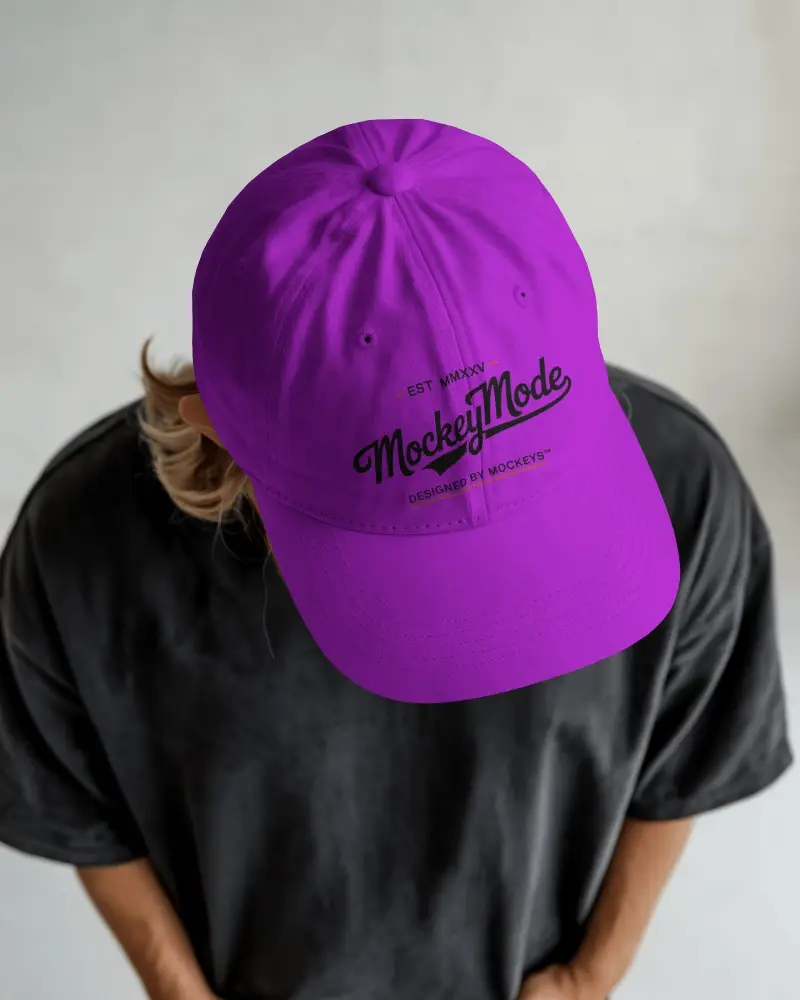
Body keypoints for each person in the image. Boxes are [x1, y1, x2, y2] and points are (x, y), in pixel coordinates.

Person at [0, 119, 792, 1000]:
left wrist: (590, 976)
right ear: (218, 424)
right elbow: (72, 798)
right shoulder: (79, 541)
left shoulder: (682, 494)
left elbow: (691, 748)